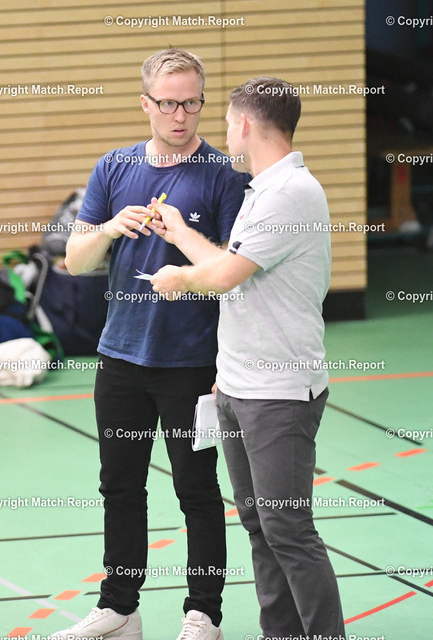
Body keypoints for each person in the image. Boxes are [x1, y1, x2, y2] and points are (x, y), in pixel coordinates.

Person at [49, 48, 248, 640]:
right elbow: (75, 260)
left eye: (192, 103)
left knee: (197, 491)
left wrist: (183, 243)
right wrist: (111, 228)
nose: (180, 115)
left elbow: (236, 272)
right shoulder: (113, 168)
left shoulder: (224, 175)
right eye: (168, 103)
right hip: (120, 359)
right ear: (145, 104)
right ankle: (119, 609)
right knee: (119, 487)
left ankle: (204, 614)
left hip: (192, 364)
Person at [150, 76, 346, 639]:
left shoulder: (290, 194)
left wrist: (178, 277)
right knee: (261, 525)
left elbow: (222, 277)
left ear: (243, 124)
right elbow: (232, 267)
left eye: (226, 121)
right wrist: (181, 233)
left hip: (279, 393)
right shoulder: (262, 189)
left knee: (288, 528)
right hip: (239, 386)